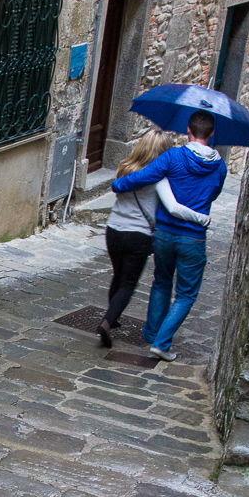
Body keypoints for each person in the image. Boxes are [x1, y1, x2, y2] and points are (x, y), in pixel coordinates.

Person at [110, 109, 227, 361]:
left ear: (188, 131)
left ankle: (153, 334)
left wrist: (118, 184)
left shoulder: (173, 156)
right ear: (212, 133)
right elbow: (213, 194)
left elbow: (144, 176)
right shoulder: (220, 167)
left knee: (161, 282)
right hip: (193, 238)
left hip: (163, 234)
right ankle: (162, 343)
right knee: (185, 295)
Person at [98, 129, 210, 349]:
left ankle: (113, 315)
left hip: (113, 229)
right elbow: (170, 206)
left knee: (118, 275)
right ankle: (107, 322)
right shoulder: (161, 177)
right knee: (128, 283)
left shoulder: (125, 167)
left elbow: (119, 192)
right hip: (139, 234)